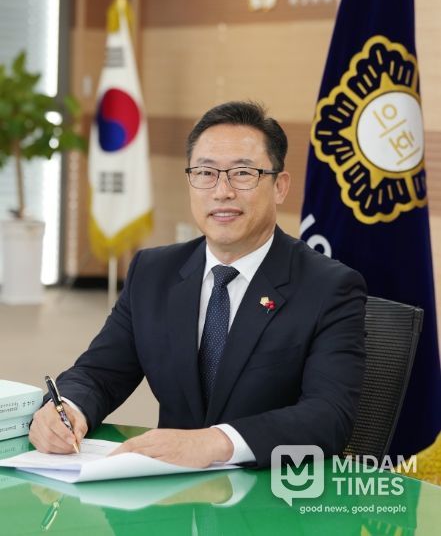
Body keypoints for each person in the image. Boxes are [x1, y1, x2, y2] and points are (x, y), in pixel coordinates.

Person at [30, 101, 367, 468]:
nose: (222, 191)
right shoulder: (153, 272)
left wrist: (217, 442)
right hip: (168, 489)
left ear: (280, 187)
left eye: (243, 173)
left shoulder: (329, 287)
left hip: (273, 490)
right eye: (205, 173)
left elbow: (329, 416)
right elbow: (99, 373)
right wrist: (67, 408)